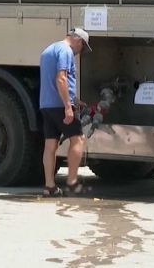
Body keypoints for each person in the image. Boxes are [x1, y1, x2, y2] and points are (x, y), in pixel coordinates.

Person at [39, 28, 92, 197]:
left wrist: (75, 100)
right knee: (78, 139)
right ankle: (72, 182)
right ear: (78, 41)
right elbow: (61, 78)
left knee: (50, 145)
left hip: (46, 104)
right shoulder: (66, 51)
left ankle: (49, 186)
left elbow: (53, 82)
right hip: (60, 106)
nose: (80, 52)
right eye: (82, 47)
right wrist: (68, 107)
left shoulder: (48, 50)